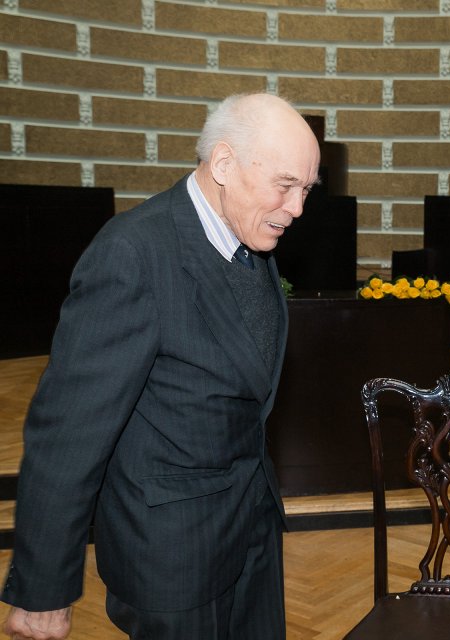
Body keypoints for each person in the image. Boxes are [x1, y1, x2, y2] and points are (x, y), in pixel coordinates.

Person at [1, 93, 320, 639]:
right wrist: (44, 585)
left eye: (306, 191)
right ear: (224, 165)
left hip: (252, 532)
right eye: (285, 185)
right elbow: (69, 432)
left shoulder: (251, 240)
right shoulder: (133, 253)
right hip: (172, 556)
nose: (296, 209)